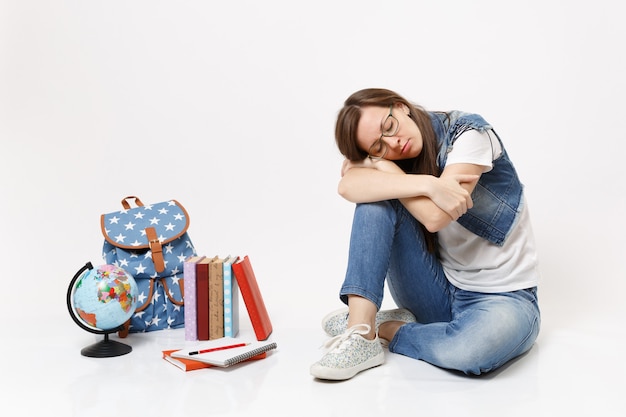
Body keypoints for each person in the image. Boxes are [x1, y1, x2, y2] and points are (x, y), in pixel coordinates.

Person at [310, 88, 541, 381]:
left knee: (471, 352)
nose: (393, 143)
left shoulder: (469, 134)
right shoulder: (398, 160)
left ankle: (385, 328)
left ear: (401, 106)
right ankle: (361, 333)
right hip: (437, 291)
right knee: (375, 202)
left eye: (389, 127)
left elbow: (436, 218)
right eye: (378, 147)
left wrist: (383, 167)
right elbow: (347, 186)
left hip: (505, 300)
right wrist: (428, 184)